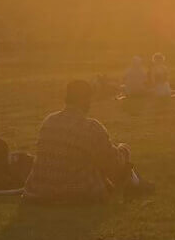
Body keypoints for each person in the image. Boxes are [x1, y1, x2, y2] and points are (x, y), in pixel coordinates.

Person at [23, 80, 153, 203]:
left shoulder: (49, 121)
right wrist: (124, 151)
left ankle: (138, 184)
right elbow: (113, 164)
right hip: (77, 192)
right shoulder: (90, 127)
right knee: (121, 158)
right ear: (85, 100)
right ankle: (138, 184)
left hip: (39, 192)